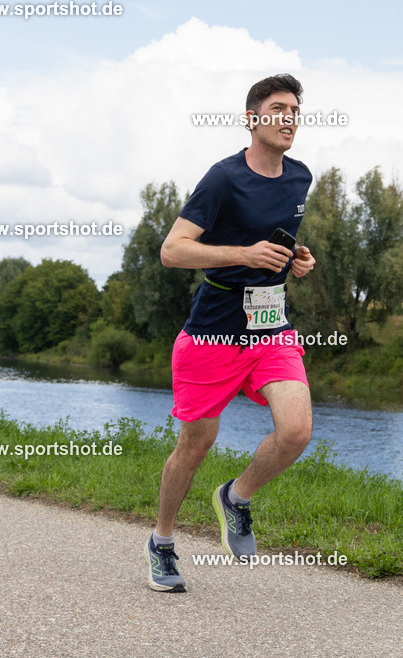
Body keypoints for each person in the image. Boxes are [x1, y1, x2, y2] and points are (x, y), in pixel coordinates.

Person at [143, 73, 316, 592]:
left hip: (270, 329)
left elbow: (272, 243)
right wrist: (243, 254)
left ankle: (235, 497)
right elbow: (172, 250)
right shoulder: (222, 178)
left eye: (295, 111)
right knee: (194, 446)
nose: (289, 118)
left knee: (296, 431)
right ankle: (162, 541)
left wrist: (296, 257)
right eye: (279, 108)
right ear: (252, 118)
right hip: (212, 336)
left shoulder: (300, 177)